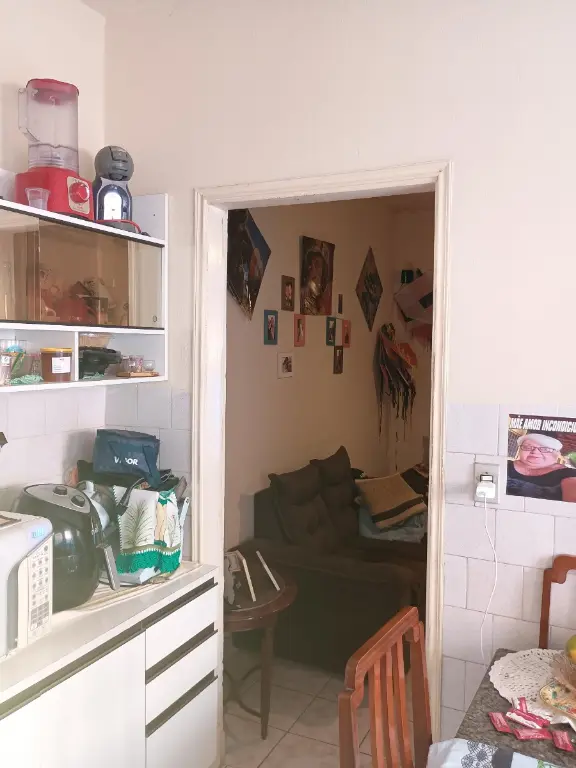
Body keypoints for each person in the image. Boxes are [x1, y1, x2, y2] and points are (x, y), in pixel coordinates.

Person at [507, 433, 576, 501]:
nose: (535, 451)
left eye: (545, 449)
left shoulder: (569, 474)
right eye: (527, 447)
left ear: (557, 453)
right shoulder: (505, 464)